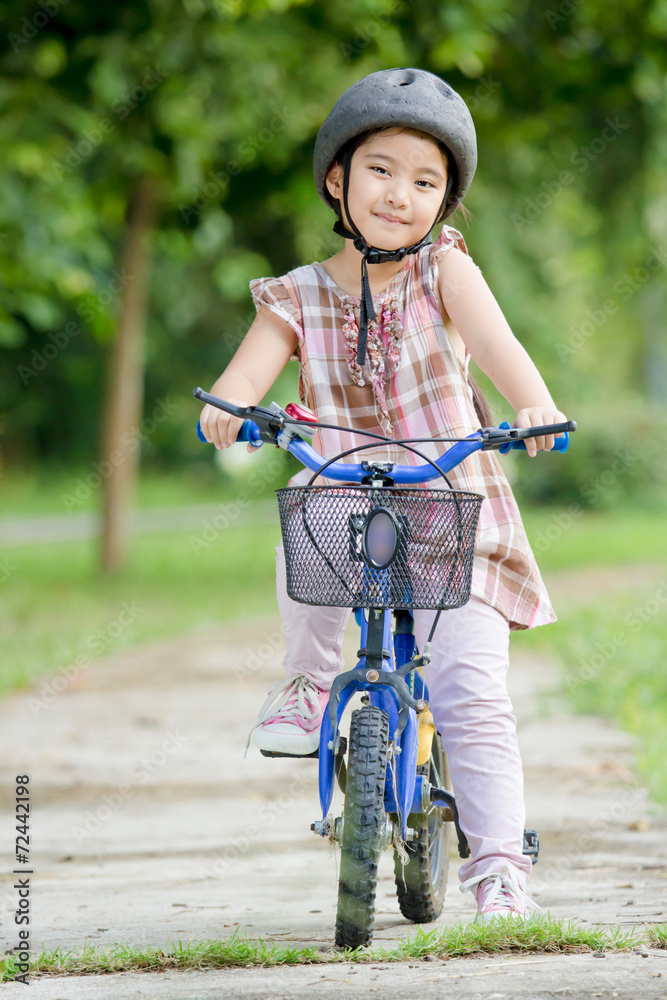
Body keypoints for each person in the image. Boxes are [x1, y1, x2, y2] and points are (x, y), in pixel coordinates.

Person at [198, 67, 567, 922]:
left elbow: (496, 341)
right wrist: (229, 411)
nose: (400, 194)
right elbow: (243, 377)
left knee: (472, 691)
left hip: (449, 501)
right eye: (380, 170)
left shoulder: (445, 271)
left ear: (443, 203)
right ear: (338, 178)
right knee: (307, 494)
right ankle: (306, 682)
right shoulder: (294, 295)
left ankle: (499, 870)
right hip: (347, 498)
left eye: (425, 181)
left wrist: (532, 402)